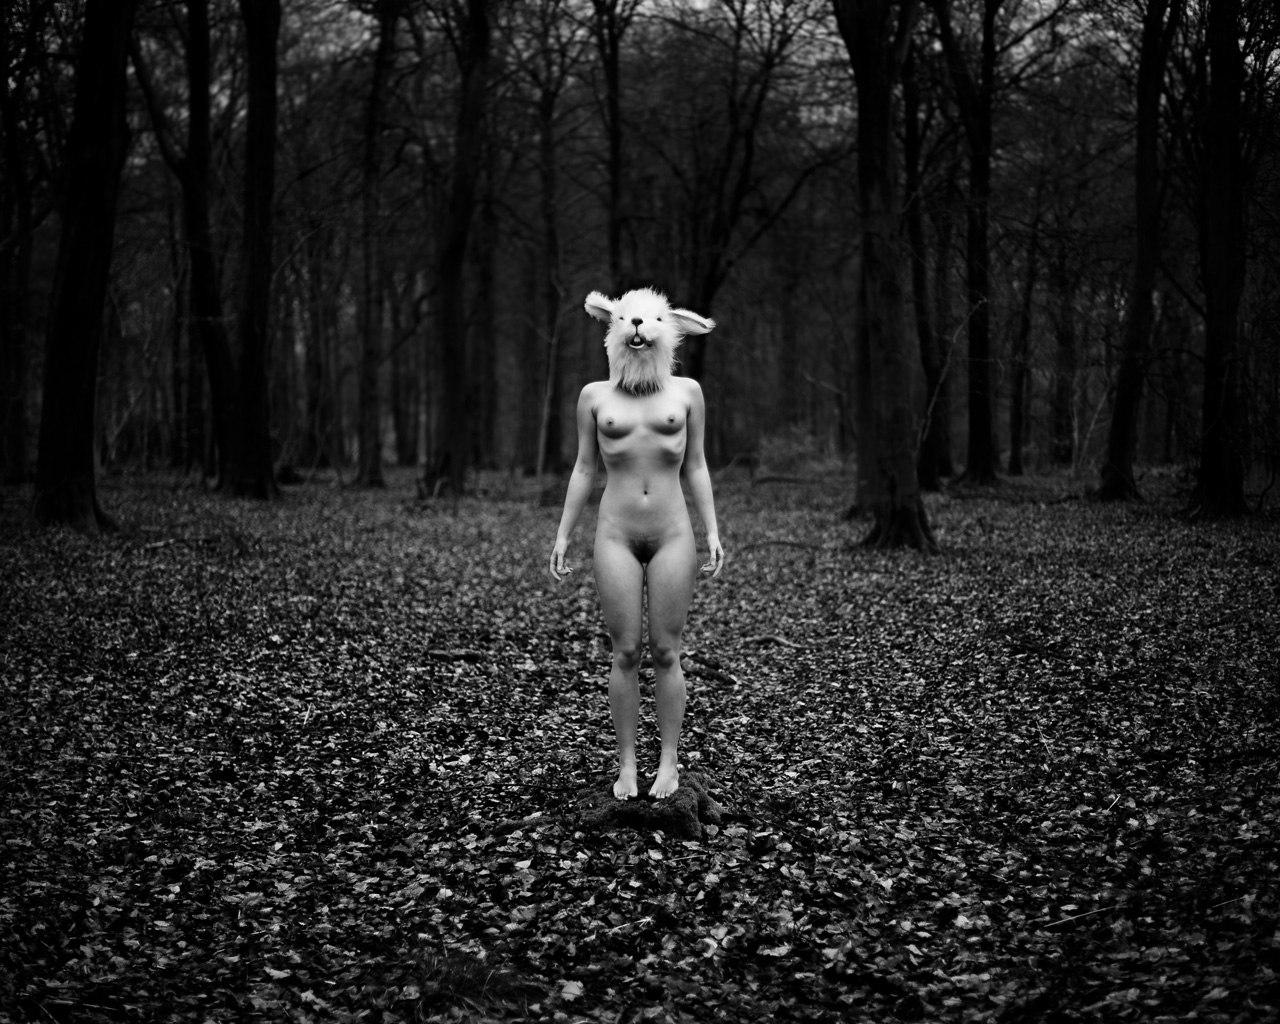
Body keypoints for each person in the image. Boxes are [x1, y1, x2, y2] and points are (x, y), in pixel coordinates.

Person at [549, 288, 725, 800]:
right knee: (624, 651)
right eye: (628, 323)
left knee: (667, 651)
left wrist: (712, 531)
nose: (639, 331)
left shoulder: (687, 393)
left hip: (673, 534)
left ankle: (668, 763)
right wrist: (563, 534)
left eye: (650, 324)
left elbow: (697, 465)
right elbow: (584, 468)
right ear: (614, 330)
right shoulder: (594, 396)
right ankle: (627, 765)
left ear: (669, 332)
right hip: (615, 535)